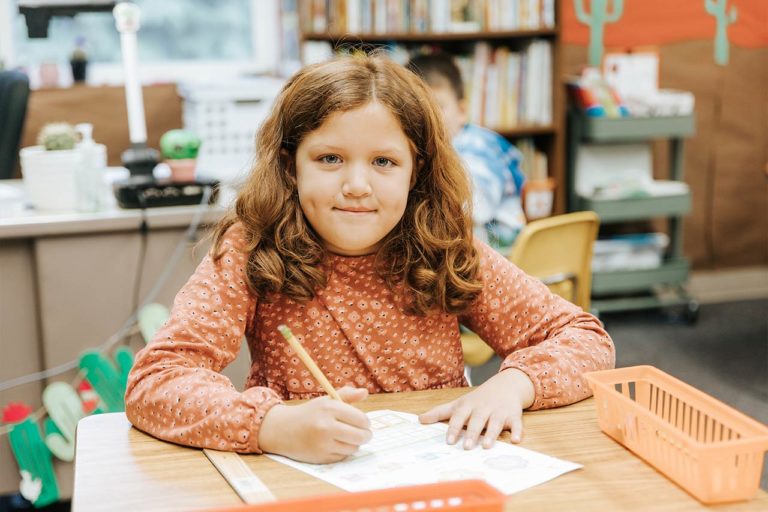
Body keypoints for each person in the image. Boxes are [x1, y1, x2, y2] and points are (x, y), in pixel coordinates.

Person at [125, 54, 614, 464]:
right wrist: (270, 425)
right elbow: (155, 381)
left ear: (415, 170)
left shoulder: (445, 245)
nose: (357, 186)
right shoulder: (250, 250)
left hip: (435, 471)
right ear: (291, 166)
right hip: (301, 480)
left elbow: (585, 340)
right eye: (330, 159)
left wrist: (515, 385)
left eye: (383, 162)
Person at [406, 53, 527, 251]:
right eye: (417, 109)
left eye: (438, 108)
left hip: (503, 255)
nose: (428, 119)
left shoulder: (477, 147)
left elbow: (474, 209)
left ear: (461, 111)